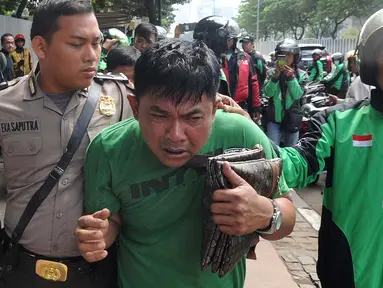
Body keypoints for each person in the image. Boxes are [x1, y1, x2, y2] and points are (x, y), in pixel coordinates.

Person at [75, 39, 296, 288]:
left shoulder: (243, 135)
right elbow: (111, 222)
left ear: (214, 109)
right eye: (159, 115)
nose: (176, 135)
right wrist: (98, 236)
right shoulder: (109, 150)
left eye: (193, 117)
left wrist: (267, 214)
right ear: (135, 107)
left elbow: (287, 214)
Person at [0, 0, 133, 287]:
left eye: (97, 43)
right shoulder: (5, 104)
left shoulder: (121, 97)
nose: (92, 56)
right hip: (20, 268)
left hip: (95, 270)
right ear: (41, 47)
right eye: (77, 44)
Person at [270, 8, 383, 287]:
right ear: (371, 60)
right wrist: (247, 139)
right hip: (352, 276)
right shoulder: (340, 123)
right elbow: (297, 161)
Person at [193, 16, 261, 121]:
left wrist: (255, 106)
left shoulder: (245, 58)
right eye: (228, 40)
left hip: (238, 106)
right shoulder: (199, 66)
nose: (230, 43)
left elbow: (254, 82)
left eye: (232, 40)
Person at [263, 39, 308, 147]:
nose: (286, 58)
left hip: (293, 119)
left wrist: (291, 78)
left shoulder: (301, 75)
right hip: (274, 119)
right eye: (282, 55)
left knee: (292, 151)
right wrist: (276, 76)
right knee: (273, 151)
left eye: (289, 55)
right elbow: (268, 93)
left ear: (295, 57)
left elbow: (297, 95)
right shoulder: (271, 73)